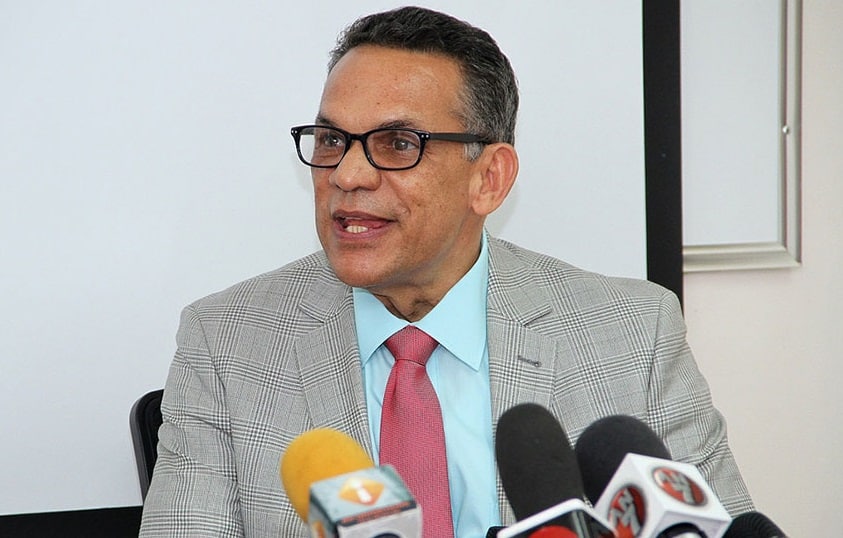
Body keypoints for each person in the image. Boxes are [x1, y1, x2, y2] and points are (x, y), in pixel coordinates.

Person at [139, 6, 753, 537]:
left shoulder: (632, 335)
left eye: (398, 143)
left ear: (489, 179)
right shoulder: (226, 344)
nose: (347, 175)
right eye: (330, 139)